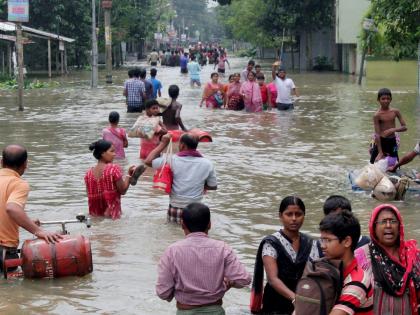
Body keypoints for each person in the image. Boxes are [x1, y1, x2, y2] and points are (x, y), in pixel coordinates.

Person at [156, 202, 251, 314]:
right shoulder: (223, 248)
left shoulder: (172, 251)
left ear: (182, 224)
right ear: (209, 224)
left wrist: (179, 289)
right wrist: (227, 284)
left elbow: (163, 292)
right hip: (215, 311)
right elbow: (244, 279)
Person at [251, 196, 321, 314]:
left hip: (302, 300)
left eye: (298, 214)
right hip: (275, 304)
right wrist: (294, 298)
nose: (294, 219)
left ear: (304, 216)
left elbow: (313, 275)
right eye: (289, 214)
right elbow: (273, 279)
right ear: (280, 216)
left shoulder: (310, 243)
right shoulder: (271, 243)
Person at [0, 145, 62, 271]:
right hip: (3, 251)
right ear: (25, 165)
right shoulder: (18, 183)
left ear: (1, 162)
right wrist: (38, 231)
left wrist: (26, 221)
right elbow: (12, 208)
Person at [355, 204, 419, 315]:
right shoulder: (361, 256)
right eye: (383, 221)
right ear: (373, 227)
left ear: (400, 226)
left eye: (393, 221)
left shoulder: (413, 255)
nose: (388, 225)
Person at [145, 134, 217, 223]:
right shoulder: (207, 163)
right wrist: (199, 184)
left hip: (176, 208)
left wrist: (163, 143)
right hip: (196, 210)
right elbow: (213, 186)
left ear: (182, 145)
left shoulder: (171, 160)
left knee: (173, 235)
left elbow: (148, 161)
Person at [319, 210, 373, 315]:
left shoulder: (358, 281)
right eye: (322, 240)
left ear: (347, 241)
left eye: (328, 240)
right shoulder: (325, 268)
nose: (322, 246)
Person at [85, 140, 144, 220]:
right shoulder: (113, 169)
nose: (114, 154)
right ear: (103, 153)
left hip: (94, 216)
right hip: (112, 216)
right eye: (112, 151)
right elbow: (123, 190)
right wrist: (128, 176)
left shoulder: (88, 174)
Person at [370, 88, 407, 165]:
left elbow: (404, 127)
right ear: (378, 100)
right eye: (383, 99)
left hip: (392, 141)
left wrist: (392, 130)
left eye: (388, 98)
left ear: (391, 99)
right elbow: (377, 134)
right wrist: (380, 152)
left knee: (395, 162)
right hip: (381, 141)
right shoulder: (377, 115)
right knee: (373, 163)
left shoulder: (395, 111)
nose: (386, 101)